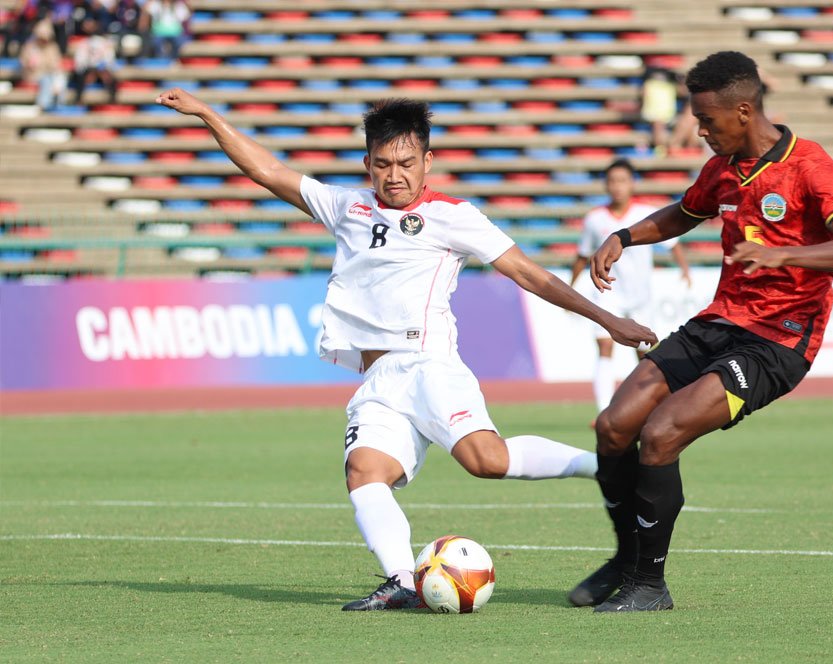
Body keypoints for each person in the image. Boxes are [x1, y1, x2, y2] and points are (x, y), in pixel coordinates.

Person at [154, 89, 658, 611]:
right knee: (364, 473)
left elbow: (528, 273)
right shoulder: (346, 205)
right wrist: (211, 114)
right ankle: (400, 580)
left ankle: (601, 463)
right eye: (383, 164)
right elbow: (269, 172)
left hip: (429, 364)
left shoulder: (454, 216)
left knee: (487, 460)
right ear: (367, 163)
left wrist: (607, 319)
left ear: (427, 162)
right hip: (378, 378)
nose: (395, 175)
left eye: (406, 163)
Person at [569, 51, 833, 612]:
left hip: (776, 343)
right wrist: (625, 236)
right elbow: (686, 212)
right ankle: (626, 558)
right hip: (719, 321)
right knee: (615, 425)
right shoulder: (723, 166)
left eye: (707, 121)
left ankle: (649, 585)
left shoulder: (810, 166)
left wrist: (783, 256)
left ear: (743, 110)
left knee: (661, 434)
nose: (700, 130)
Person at [570, 158, 691, 414]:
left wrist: (684, 270)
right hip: (607, 292)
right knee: (604, 347)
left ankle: (643, 408)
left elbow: (673, 243)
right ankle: (603, 410)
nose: (617, 186)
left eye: (622, 181)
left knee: (644, 352)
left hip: (640, 296)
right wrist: (571, 284)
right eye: (612, 181)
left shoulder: (643, 215)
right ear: (606, 185)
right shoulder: (595, 218)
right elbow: (583, 255)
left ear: (631, 183)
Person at [18, 19, 66, 110]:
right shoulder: (30, 46)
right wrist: (29, 65)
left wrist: (53, 69)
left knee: (60, 79)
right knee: (46, 80)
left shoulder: (53, 47)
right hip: (33, 74)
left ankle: (59, 105)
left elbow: (56, 64)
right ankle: (43, 105)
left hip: (50, 73)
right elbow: (23, 61)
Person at [71, 18, 117, 104]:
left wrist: (101, 68)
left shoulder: (105, 43)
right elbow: (80, 61)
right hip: (88, 68)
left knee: (110, 78)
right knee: (80, 77)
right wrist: (89, 69)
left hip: (102, 69)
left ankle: (113, 99)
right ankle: (78, 98)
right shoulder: (84, 43)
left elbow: (109, 60)